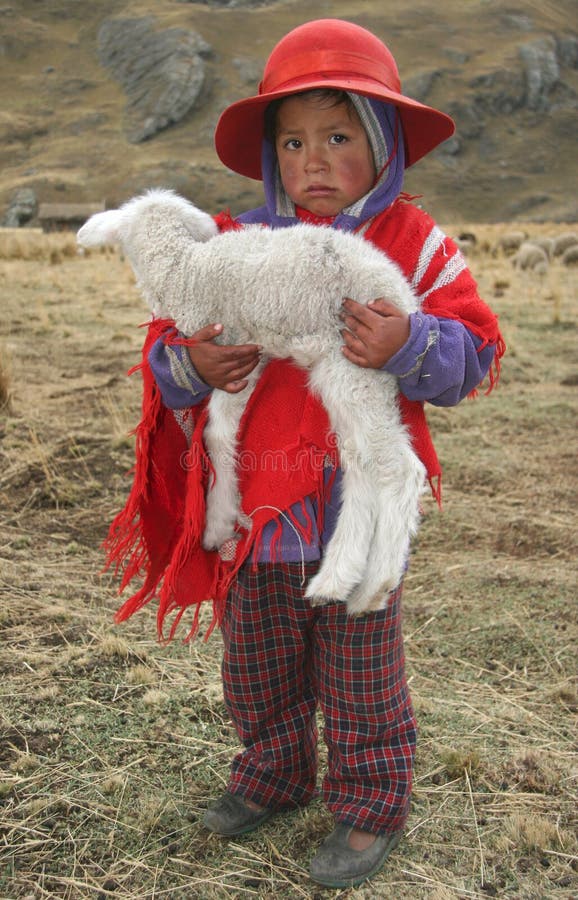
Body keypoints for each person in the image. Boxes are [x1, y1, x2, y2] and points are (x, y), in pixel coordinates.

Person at [107, 19, 504, 889]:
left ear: (385, 145)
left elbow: (475, 352)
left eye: (338, 136)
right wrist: (194, 363)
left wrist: (408, 342)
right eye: (293, 141)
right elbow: (165, 351)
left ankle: (369, 805)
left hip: (353, 511)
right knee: (258, 666)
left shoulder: (413, 243)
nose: (313, 160)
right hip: (257, 513)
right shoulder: (234, 244)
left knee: (361, 674)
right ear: (268, 155)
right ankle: (275, 773)